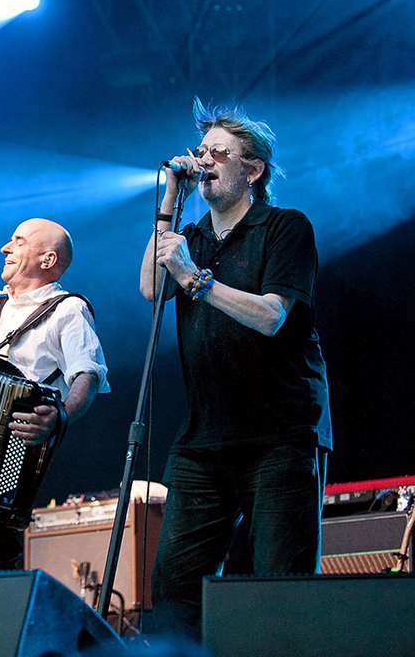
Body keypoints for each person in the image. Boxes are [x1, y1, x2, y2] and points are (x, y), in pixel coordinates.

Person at [140, 99, 331, 640]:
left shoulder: (284, 228)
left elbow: (271, 315)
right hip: (206, 440)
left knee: (278, 588)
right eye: (200, 152)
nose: (203, 161)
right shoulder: (192, 235)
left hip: (281, 435)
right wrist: (170, 201)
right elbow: (152, 288)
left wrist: (196, 280)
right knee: (174, 587)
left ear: (253, 169)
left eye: (217, 153)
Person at [0, 218, 110, 573]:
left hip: (13, 448)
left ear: (47, 260)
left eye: (18, 241)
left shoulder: (68, 309)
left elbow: (88, 375)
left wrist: (59, 416)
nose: (5, 248)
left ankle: (1, 625)